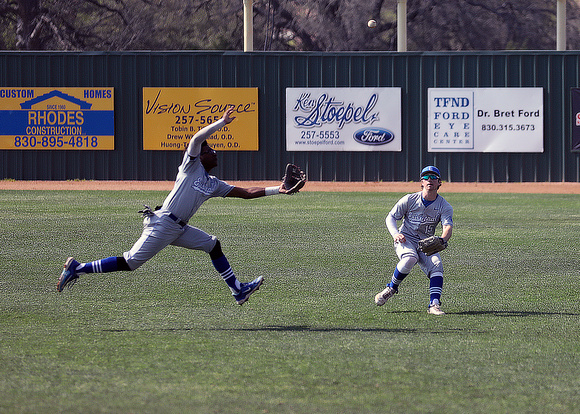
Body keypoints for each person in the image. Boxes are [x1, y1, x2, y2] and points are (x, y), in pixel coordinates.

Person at [57, 106, 293, 305]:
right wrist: (221, 122)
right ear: (200, 156)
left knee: (212, 245)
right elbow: (196, 139)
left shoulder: (213, 184)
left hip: (178, 228)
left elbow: (246, 193)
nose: (214, 151)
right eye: (210, 150)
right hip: (163, 224)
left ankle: (238, 290)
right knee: (130, 262)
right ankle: (78, 268)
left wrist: (277, 189)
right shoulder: (190, 167)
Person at [374, 166, 453, 315]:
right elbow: (390, 217)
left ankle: (434, 304)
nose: (430, 179)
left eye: (433, 177)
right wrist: (395, 234)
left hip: (426, 242)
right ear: (421, 182)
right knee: (410, 258)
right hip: (406, 239)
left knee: (437, 265)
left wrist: (442, 240)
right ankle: (391, 288)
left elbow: (447, 227)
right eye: (426, 177)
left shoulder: (444, 206)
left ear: (439, 183)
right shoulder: (409, 199)